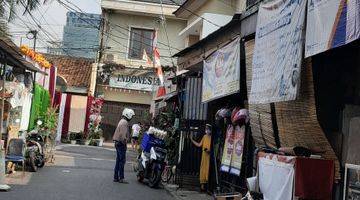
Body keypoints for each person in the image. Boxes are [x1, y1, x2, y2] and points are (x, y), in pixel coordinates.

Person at [112, 108, 135, 183]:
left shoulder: (121, 121)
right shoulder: (124, 122)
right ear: (128, 115)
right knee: (122, 161)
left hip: (117, 143)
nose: (131, 118)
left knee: (118, 161)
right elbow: (122, 135)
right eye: (131, 116)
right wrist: (125, 142)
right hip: (121, 144)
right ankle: (121, 178)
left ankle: (116, 177)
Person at [190, 124, 212, 191]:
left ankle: (207, 186)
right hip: (204, 156)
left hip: (209, 157)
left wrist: (209, 151)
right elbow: (199, 145)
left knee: (208, 170)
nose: (206, 130)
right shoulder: (205, 137)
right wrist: (192, 140)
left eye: (207, 129)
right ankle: (202, 186)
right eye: (206, 129)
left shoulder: (212, 138)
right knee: (203, 169)